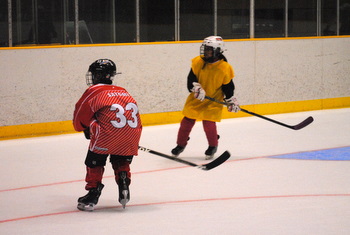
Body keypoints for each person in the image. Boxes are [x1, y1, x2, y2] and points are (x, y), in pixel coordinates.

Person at [73, 59, 142, 211]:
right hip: (132, 133)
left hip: (106, 135)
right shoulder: (123, 90)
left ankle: (93, 192)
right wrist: (129, 138)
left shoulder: (94, 90)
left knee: (95, 159)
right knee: (120, 157)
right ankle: (123, 181)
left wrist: (85, 128)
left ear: (98, 75)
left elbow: (79, 118)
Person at [171, 36, 240, 160]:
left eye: (209, 49)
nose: (205, 52)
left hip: (213, 100)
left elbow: (228, 87)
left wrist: (231, 100)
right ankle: (180, 145)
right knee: (186, 122)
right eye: (205, 49)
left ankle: (213, 146)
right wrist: (196, 87)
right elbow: (190, 80)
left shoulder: (225, 68)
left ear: (218, 51)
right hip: (196, 99)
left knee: (209, 124)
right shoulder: (198, 62)